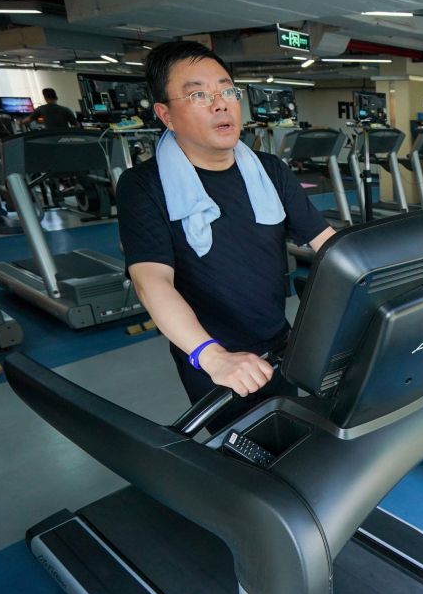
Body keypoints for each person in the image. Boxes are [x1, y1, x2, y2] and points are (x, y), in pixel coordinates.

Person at [117, 40, 335, 410]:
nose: (221, 104)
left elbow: (329, 243)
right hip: (212, 358)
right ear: (166, 115)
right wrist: (213, 356)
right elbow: (150, 281)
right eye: (199, 94)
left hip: (281, 344)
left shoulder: (269, 170)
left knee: (295, 433)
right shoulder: (143, 186)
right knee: (244, 444)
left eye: (227, 91)